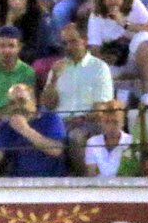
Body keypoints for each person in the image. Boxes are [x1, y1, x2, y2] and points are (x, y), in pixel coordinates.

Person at [41, 21, 112, 174]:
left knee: (75, 136)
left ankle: (84, 182)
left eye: (73, 41)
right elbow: (48, 104)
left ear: (84, 40)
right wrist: (53, 80)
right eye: (65, 43)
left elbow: (101, 108)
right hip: (60, 122)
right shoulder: (57, 68)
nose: (68, 47)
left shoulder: (99, 68)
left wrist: (79, 119)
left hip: (89, 122)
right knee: (39, 136)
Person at [86, 0, 148, 108]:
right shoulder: (96, 15)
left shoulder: (134, 4)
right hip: (112, 63)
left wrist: (125, 24)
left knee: (144, 38)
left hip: (135, 59)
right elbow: (94, 49)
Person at [0, 82, 66, 177]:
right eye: (12, 103)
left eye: (21, 101)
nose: (17, 106)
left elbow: (56, 150)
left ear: (33, 101)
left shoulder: (50, 117)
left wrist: (25, 130)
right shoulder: (7, 125)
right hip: (19, 180)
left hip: (51, 180)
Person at [0, 0, 56, 69]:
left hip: (40, 61)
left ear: (28, 0)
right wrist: (9, 23)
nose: (16, 2)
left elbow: (35, 53)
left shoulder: (39, 18)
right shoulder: (3, 16)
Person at [84, 97, 130, 177]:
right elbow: (92, 174)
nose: (110, 126)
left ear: (122, 123)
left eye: (115, 122)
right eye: (107, 122)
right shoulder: (92, 142)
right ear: (101, 122)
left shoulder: (131, 142)